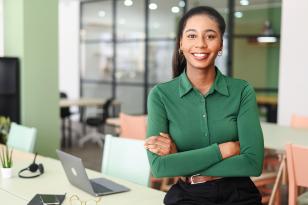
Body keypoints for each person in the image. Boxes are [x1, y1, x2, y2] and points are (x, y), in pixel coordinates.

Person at [144, 6, 264, 205]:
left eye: (210, 36)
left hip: (239, 194)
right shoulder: (161, 95)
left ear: (221, 44)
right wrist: (224, 150)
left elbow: (253, 163)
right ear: (181, 43)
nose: (200, 44)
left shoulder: (242, 91)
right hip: (188, 195)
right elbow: (160, 168)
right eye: (191, 36)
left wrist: (180, 161)